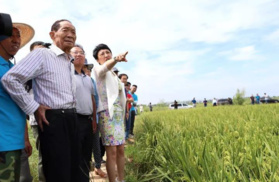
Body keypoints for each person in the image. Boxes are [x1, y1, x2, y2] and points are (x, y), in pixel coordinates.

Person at [2, 19, 80, 182]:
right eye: (65, 30)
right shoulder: (42, 54)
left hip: (72, 118)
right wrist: (34, 107)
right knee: (58, 173)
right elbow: (10, 79)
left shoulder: (69, 63)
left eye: (73, 32)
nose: (70, 35)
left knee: (73, 171)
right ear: (52, 34)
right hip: (53, 120)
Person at [0, 13, 34, 182]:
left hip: (16, 142)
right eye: (10, 36)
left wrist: (25, 138)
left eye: (18, 36)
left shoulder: (14, 69)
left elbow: (18, 107)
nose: (15, 40)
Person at [92, 43, 128, 182]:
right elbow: (103, 69)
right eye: (102, 54)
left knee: (120, 150)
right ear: (97, 59)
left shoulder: (114, 75)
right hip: (107, 114)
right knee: (111, 152)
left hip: (118, 116)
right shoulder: (98, 70)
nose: (106, 55)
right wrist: (116, 59)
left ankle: (121, 179)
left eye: (108, 52)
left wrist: (124, 112)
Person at [71, 44, 97, 181]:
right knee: (76, 155)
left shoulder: (88, 79)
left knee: (87, 154)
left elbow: (92, 99)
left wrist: (93, 119)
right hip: (74, 119)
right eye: (75, 52)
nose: (78, 55)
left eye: (81, 52)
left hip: (87, 121)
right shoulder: (67, 75)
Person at [82, 63, 107, 178]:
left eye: (88, 70)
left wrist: (94, 118)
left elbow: (96, 100)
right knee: (83, 146)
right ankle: (85, 169)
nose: (87, 71)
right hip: (79, 118)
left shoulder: (91, 81)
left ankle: (97, 166)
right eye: (85, 69)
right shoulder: (74, 79)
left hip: (93, 118)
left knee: (96, 143)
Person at [119, 74, 133, 141]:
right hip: (118, 110)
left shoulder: (124, 89)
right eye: (123, 78)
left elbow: (126, 101)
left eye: (126, 79)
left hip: (124, 109)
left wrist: (127, 111)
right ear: (119, 79)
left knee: (125, 125)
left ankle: (124, 139)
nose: (125, 80)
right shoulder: (117, 86)